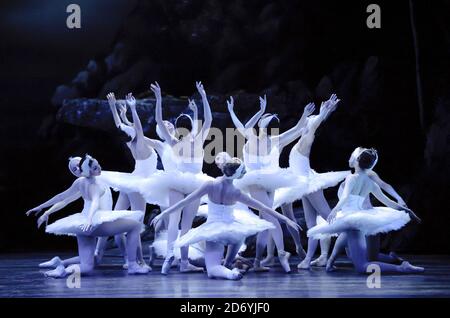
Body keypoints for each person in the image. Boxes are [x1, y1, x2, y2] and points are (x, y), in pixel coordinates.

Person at [151, 156, 301, 280]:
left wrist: (163, 213)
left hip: (214, 230)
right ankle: (229, 263)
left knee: (212, 270)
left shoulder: (210, 185)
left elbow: (185, 201)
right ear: (237, 175)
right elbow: (264, 208)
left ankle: (230, 273)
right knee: (238, 237)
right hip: (232, 231)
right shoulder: (236, 192)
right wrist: (286, 219)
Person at [26, 155, 149, 277]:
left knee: (87, 266)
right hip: (98, 221)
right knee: (135, 225)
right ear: (88, 169)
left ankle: (63, 268)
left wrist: (42, 208)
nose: (99, 168)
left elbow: (62, 197)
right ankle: (132, 264)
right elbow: (88, 201)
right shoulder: (93, 183)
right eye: (74, 169)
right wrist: (90, 219)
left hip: (83, 223)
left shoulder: (81, 182)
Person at [229, 95, 313, 272]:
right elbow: (298, 129)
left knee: (270, 218)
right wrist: (305, 115)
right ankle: (259, 260)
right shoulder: (275, 140)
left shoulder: (253, 138)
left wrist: (259, 110)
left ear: (262, 125)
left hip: (256, 183)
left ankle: (281, 253)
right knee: (265, 221)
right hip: (271, 181)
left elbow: (244, 127)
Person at [307, 149, 424, 274]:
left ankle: (402, 268)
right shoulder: (371, 183)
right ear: (372, 166)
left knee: (362, 266)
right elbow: (389, 203)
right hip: (363, 218)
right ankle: (331, 261)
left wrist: (335, 209)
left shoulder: (351, 178)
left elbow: (346, 196)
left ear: (357, 160)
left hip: (352, 218)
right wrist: (407, 211)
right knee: (362, 254)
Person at [270, 94, 349, 269]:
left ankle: (351, 233)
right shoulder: (300, 139)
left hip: (309, 183)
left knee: (329, 217)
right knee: (311, 224)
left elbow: (313, 125)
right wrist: (325, 112)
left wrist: (322, 114)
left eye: (311, 120)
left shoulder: (307, 139)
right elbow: (303, 126)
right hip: (302, 186)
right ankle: (308, 259)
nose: (308, 121)